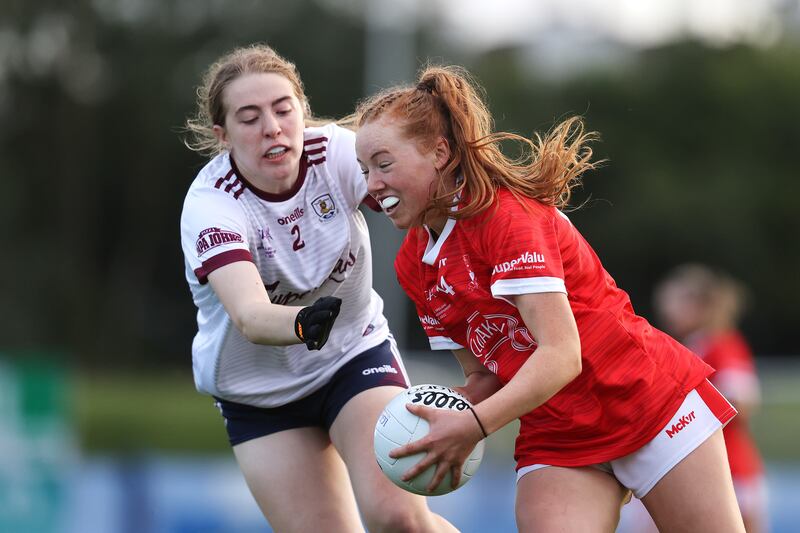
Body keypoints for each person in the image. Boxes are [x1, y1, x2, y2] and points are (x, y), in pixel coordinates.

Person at [353, 65, 746, 532]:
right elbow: (485, 375)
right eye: (364, 170)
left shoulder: (506, 216)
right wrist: (442, 417)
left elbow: (561, 355)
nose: (371, 184)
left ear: (440, 153)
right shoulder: (412, 265)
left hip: (647, 403)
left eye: (383, 164)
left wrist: (474, 425)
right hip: (557, 434)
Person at [180, 44, 458, 533]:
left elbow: (423, 198)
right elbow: (249, 315)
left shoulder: (333, 153)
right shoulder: (211, 205)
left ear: (301, 110)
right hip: (260, 397)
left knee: (400, 519)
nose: (272, 127)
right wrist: (304, 321)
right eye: (249, 118)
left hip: (352, 358)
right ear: (222, 136)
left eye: (283, 109)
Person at [654, 264, 768, 532]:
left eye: (674, 302)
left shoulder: (722, 343)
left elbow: (742, 401)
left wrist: (684, 418)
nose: (666, 310)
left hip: (733, 470)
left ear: (697, 305)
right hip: (705, 472)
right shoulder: (690, 346)